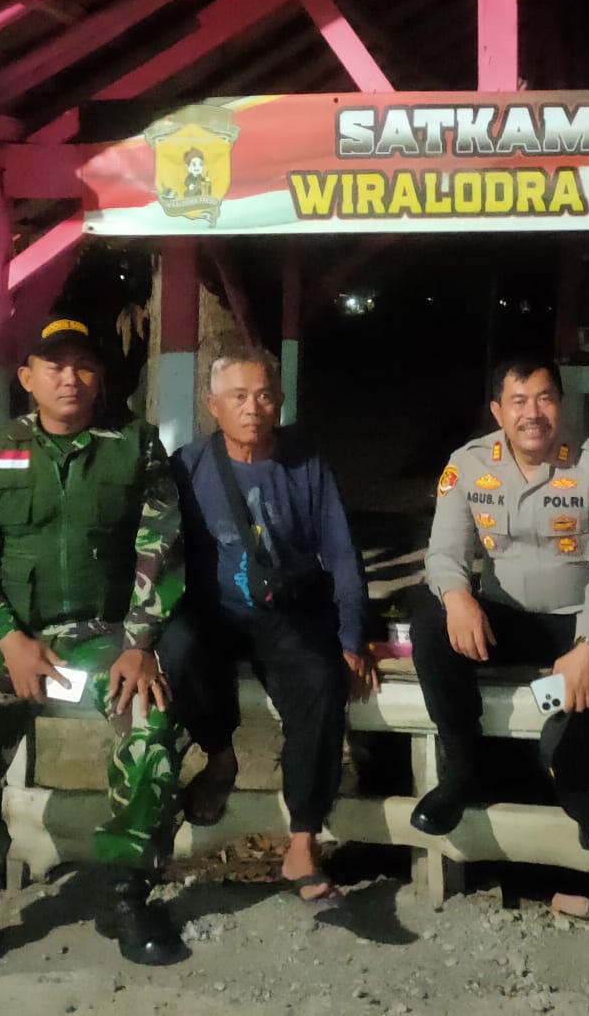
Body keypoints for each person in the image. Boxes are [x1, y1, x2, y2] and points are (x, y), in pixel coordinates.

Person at [0, 316, 190, 985]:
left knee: (150, 726)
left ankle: (126, 892)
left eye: (83, 365)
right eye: (54, 365)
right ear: (28, 378)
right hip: (18, 640)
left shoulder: (133, 446)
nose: (70, 377)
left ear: (100, 378)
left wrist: (140, 642)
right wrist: (10, 640)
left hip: (105, 641)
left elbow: (161, 547)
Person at [156, 347, 377, 903]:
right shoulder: (188, 466)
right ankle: (219, 757)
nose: (252, 407)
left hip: (286, 612)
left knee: (321, 683)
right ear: (213, 405)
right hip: (214, 611)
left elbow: (342, 555)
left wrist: (352, 638)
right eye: (238, 396)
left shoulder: (306, 465)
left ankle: (303, 839)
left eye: (263, 395)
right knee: (177, 650)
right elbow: (156, 552)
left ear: (278, 402)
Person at [410, 357, 589, 851]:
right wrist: (458, 597)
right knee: (430, 625)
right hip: (504, 620)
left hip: (577, 620)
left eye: (544, 399)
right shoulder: (468, 464)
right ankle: (462, 768)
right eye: (518, 402)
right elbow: (444, 553)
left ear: (561, 405)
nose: (532, 413)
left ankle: (588, 795)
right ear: (498, 411)